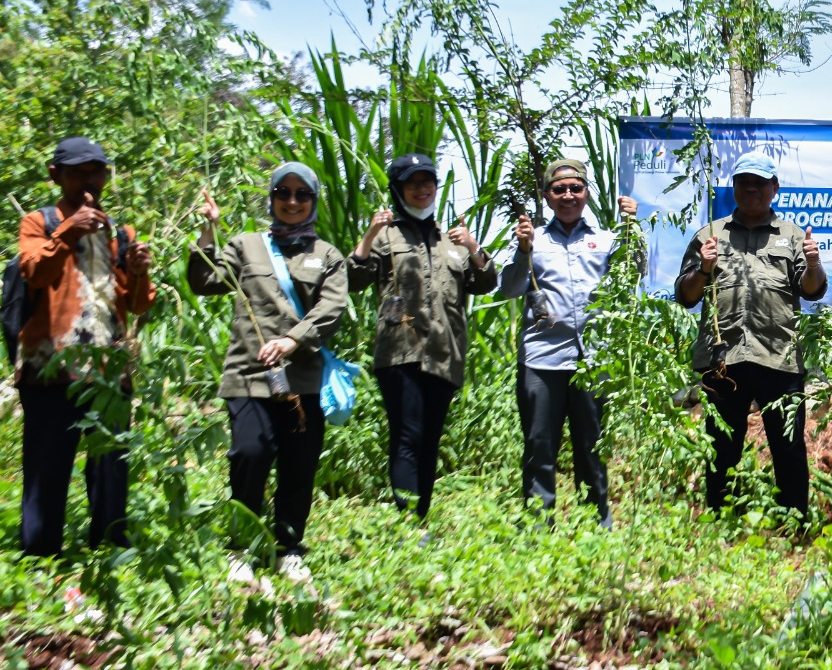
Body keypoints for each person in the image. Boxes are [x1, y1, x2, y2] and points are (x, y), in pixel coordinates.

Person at [187, 163, 348, 584]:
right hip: (248, 373)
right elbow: (205, 281)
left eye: (302, 194)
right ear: (272, 198)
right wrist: (208, 231)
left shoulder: (327, 255)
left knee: (299, 464)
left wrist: (293, 340)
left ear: (313, 200)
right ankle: (240, 547)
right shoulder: (245, 245)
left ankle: (288, 549)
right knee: (250, 453)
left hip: (302, 378)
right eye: (283, 193)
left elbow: (331, 308)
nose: (292, 202)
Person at [13, 137, 155, 557]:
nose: (89, 182)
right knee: (46, 466)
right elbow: (34, 273)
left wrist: (139, 272)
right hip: (50, 369)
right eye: (78, 173)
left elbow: (137, 304)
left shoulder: (119, 233)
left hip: (110, 372)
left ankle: (110, 551)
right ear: (55, 175)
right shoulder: (39, 223)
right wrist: (68, 231)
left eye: (97, 173)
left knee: (111, 466)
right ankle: (40, 556)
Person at [348, 154, 498, 530]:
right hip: (399, 353)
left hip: (444, 354)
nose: (422, 189)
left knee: (429, 439)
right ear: (398, 190)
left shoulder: (452, 241)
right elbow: (353, 279)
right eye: (412, 183)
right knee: (407, 435)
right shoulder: (385, 236)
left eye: (427, 182)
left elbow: (485, 282)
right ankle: (406, 522)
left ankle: (419, 520)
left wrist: (473, 246)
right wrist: (369, 235)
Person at [676, 151, 827, 520]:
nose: (751, 188)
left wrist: (812, 263)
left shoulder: (792, 236)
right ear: (734, 187)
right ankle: (718, 519)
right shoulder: (710, 235)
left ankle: (794, 522)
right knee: (722, 445)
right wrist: (705, 268)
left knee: (788, 446)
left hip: (780, 357)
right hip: (723, 358)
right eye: (744, 182)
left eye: (759, 182)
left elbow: (812, 291)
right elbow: (686, 296)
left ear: (774, 188)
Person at [500, 158, 638, 528]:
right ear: (547, 196)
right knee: (539, 445)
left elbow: (632, 276)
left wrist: (631, 229)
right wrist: (523, 250)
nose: (568, 196)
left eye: (575, 188)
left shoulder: (606, 239)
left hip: (591, 360)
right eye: (559, 189)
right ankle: (537, 525)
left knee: (592, 445)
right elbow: (509, 288)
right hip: (542, 359)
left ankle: (596, 524)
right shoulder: (532, 239)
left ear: (587, 193)